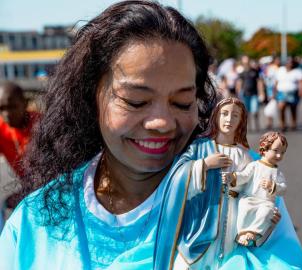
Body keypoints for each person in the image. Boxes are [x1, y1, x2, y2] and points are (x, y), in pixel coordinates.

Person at [0, 1, 218, 269]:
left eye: (183, 103)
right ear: (91, 97)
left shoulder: (237, 199)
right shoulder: (32, 222)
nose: (162, 122)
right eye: (136, 101)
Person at [171, 97, 255, 269]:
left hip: (231, 216)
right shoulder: (199, 147)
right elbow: (177, 177)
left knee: (223, 259)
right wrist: (205, 164)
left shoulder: (243, 155)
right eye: (224, 114)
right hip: (202, 215)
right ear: (216, 116)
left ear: (241, 122)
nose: (229, 119)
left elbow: (251, 190)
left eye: (235, 116)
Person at [229, 132, 288, 247]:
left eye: (282, 152)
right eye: (276, 151)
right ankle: (242, 233)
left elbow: (283, 189)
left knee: (267, 212)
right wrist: (234, 177)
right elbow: (244, 176)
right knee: (244, 208)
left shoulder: (277, 173)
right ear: (264, 149)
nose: (279, 156)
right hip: (249, 198)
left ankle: (253, 233)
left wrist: (273, 186)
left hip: (266, 202)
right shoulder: (255, 165)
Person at [0, 81, 39, 231]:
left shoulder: (42, 124)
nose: (7, 114)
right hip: (27, 187)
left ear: (25, 103)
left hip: (51, 186)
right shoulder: (2, 129)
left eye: (12, 107)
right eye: (2, 108)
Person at [236, 56, 265, 131]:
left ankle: (257, 125)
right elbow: (239, 83)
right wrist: (238, 94)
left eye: (247, 61)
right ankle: (249, 127)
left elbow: (259, 82)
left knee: (255, 111)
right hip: (245, 95)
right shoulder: (242, 73)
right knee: (247, 112)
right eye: (244, 62)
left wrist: (261, 93)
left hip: (254, 94)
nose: (246, 63)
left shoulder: (255, 71)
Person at [274, 58, 302, 131]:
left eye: (291, 63)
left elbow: (301, 82)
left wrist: (301, 91)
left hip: (293, 92)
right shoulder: (280, 70)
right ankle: (282, 124)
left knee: (293, 108)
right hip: (281, 92)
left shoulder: (297, 71)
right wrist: (275, 91)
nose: (290, 64)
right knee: (281, 107)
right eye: (288, 62)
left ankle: (294, 123)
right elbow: (276, 81)